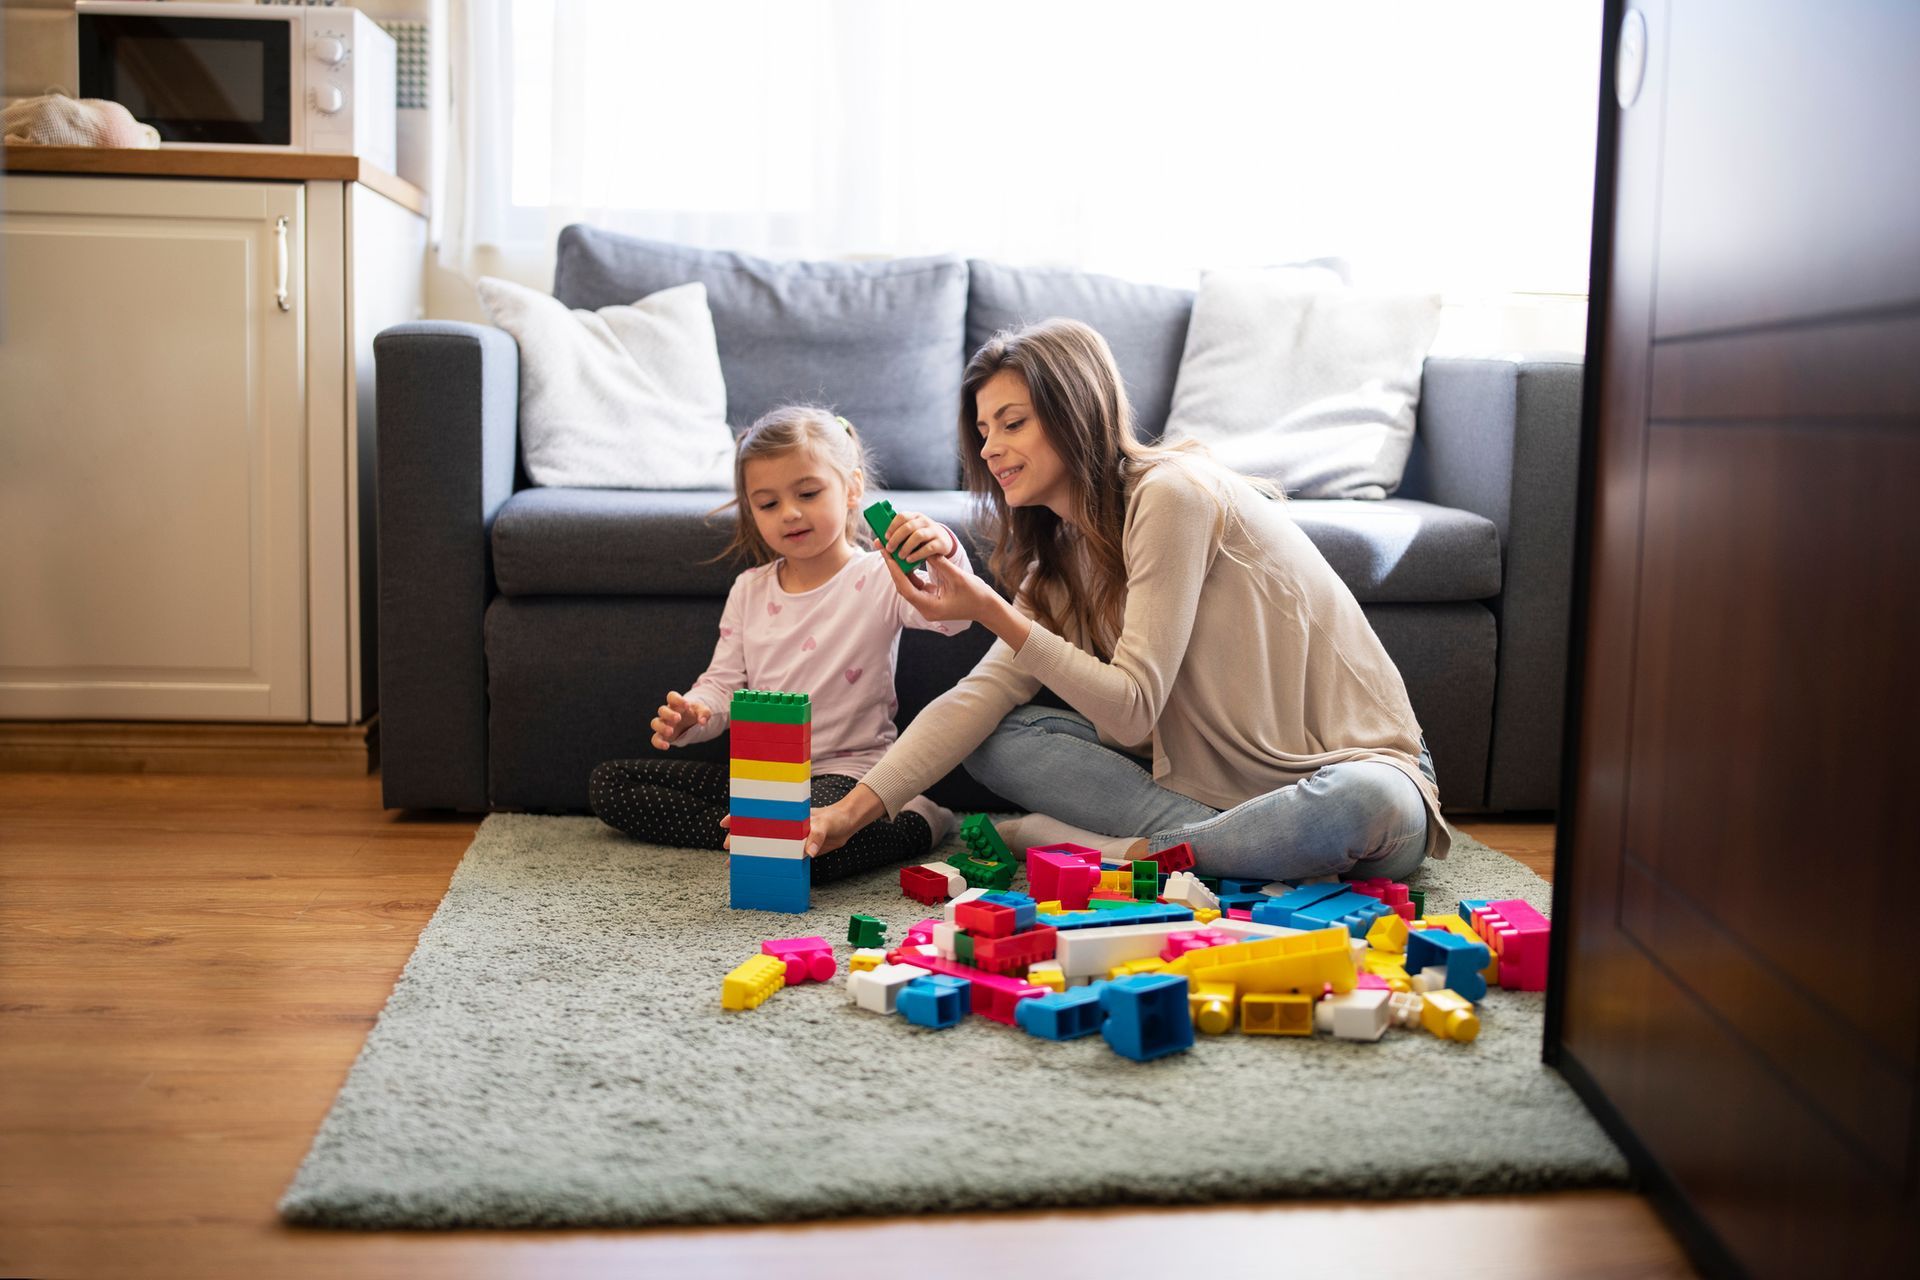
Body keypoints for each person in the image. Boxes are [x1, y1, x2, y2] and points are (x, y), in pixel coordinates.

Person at [802, 318, 1449, 883]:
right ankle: (1240, 847)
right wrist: (849, 813)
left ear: (1074, 410)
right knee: (992, 735)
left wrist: (988, 608)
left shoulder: (1170, 494)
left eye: (1013, 422)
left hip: (1349, 774)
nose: (991, 447)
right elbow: (974, 698)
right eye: (982, 430)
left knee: (1366, 804)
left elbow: (1135, 710)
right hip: (1208, 797)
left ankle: (1122, 852)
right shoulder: (1058, 566)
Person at [587, 406, 968, 880]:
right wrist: (694, 714)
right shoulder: (750, 588)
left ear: (851, 489)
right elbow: (723, 684)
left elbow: (954, 617)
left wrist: (945, 549)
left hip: (849, 777)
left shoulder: (876, 574)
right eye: (767, 504)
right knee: (611, 784)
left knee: (810, 853)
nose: (789, 513)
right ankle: (754, 837)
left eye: (808, 493)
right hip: (761, 780)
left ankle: (917, 819)